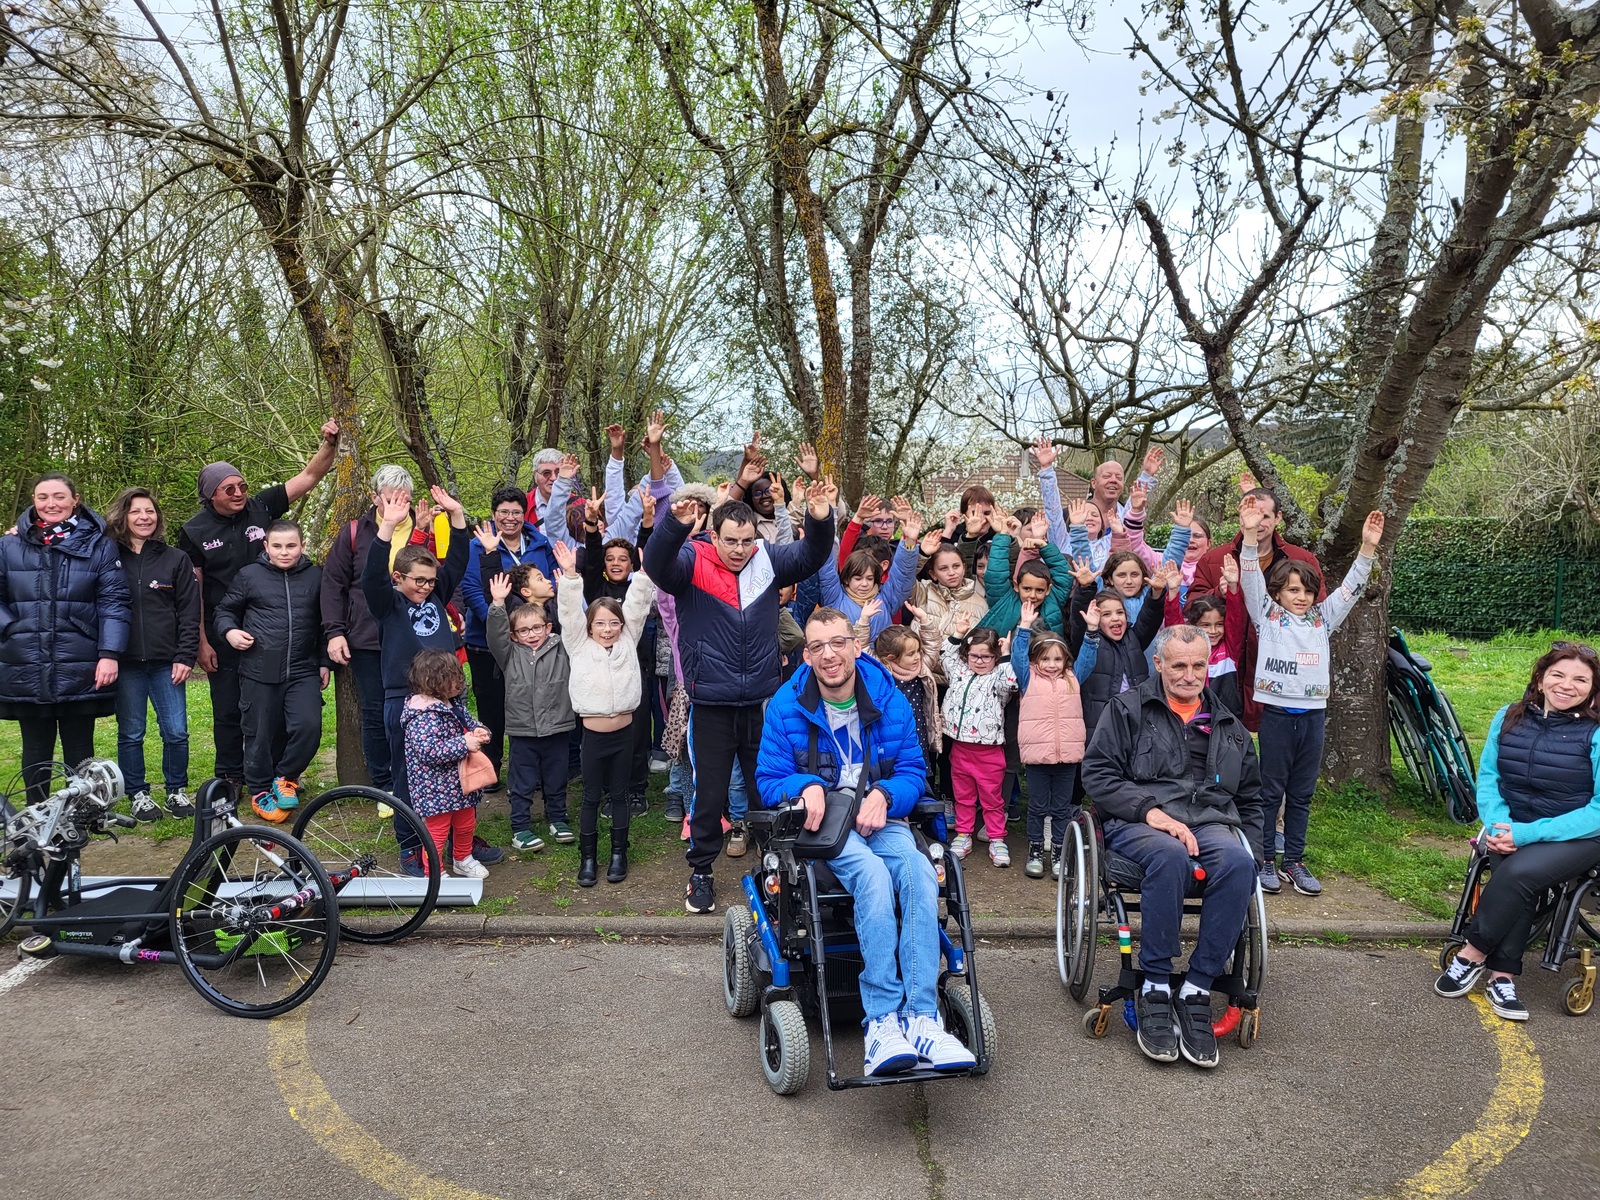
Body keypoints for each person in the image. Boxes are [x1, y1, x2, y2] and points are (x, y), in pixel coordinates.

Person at [756, 607, 977, 1076]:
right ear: (807, 654)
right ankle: (880, 1022)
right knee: (873, 877)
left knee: (919, 871)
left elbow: (915, 772)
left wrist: (885, 793)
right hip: (825, 826)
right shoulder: (784, 704)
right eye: (816, 646)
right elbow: (767, 779)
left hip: (880, 819)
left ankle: (920, 1017)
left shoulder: (888, 696)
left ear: (856, 646)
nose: (829, 655)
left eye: (838, 643)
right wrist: (804, 785)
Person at [643, 477, 836, 916]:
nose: (739, 549)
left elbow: (811, 555)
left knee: (765, 789)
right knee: (709, 795)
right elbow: (657, 566)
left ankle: (774, 867)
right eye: (731, 541)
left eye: (747, 541)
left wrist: (820, 516)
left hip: (761, 703)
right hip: (709, 702)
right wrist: (673, 524)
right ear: (715, 535)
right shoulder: (692, 559)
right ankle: (702, 873)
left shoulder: (765, 558)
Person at [1080, 624, 1264, 1068]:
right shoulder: (1127, 711)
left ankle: (1197, 988)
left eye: (1198, 665)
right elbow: (1098, 775)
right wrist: (1152, 813)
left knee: (1239, 864)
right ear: (1158, 664)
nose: (1189, 674)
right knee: (1169, 855)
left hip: (1210, 821)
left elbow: (1252, 798)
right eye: (1178, 665)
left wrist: (1256, 852)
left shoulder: (1229, 725)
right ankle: (1156, 984)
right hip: (1140, 820)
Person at [1435, 641, 1600, 1021]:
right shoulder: (1507, 716)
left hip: (1578, 835)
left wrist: (1524, 835)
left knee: (1519, 871)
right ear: (1540, 679)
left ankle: (1472, 952)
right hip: (1509, 827)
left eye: (1580, 679)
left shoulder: (1594, 733)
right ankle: (1502, 978)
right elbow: (1489, 779)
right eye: (1558, 675)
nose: (1566, 685)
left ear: (1592, 689)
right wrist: (1497, 826)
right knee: (1517, 869)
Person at [178, 420, 341, 794]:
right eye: (228, 489)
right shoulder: (194, 530)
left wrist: (328, 444)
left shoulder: (262, 506)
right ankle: (231, 777)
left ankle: (282, 776)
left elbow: (309, 476)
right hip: (226, 626)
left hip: (275, 627)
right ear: (210, 496)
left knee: (277, 710)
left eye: (242, 486)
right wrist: (202, 642)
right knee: (229, 710)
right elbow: (194, 592)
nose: (238, 493)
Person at [1237, 496, 1382, 897]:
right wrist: (1250, 535)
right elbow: (1250, 579)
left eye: (1307, 591)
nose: (1301, 596)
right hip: (1278, 717)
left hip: (1313, 717)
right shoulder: (1266, 616)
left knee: (1302, 793)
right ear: (1279, 593)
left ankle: (1294, 860)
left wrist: (1367, 548)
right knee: (1271, 792)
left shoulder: (1322, 619)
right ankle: (1265, 859)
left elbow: (1351, 588)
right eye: (1293, 590)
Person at [0, 473, 132, 805]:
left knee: (79, 748)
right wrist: (11, 628)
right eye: (42, 497)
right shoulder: (9, 545)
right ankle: (37, 813)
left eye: (59, 496)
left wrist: (110, 653)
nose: (50, 504)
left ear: (75, 499)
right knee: (35, 748)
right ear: (33, 499)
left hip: (81, 660)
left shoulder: (99, 544)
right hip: (25, 661)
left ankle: (77, 815)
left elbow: (114, 601)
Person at [361, 485, 472, 871]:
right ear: (399, 577)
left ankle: (462, 842)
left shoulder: (436, 595)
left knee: (458, 768)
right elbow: (371, 577)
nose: (425, 587)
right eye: (418, 581)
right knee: (408, 777)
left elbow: (457, 559)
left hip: (449, 700)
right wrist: (388, 527)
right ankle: (411, 846)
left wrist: (457, 517)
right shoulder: (388, 603)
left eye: (430, 580)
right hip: (406, 702)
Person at [320, 464, 442, 793]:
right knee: (376, 712)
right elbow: (333, 583)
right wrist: (334, 631)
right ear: (376, 498)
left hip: (416, 638)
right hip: (368, 638)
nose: (399, 506)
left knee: (423, 707)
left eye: (405, 499)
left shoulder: (426, 528)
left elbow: (443, 580)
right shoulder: (355, 531)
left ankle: (421, 776)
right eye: (391, 500)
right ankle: (385, 785)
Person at [211, 519, 330, 823]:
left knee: (309, 727)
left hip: (303, 668)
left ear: (302, 546)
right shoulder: (250, 576)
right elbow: (224, 611)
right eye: (277, 546)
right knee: (259, 734)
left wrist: (323, 662)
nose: (284, 552)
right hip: (260, 665)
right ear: (266, 547)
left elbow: (324, 624)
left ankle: (286, 777)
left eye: (291, 546)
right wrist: (229, 632)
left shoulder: (316, 576)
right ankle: (260, 790)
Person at [553, 539, 656, 886]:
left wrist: (642, 575)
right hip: (594, 738)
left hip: (624, 736)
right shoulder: (578, 645)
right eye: (601, 624)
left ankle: (618, 854)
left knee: (620, 795)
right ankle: (587, 859)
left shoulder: (628, 641)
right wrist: (570, 576)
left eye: (614, 623)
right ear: (590, 627)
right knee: (591, 798)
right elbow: (568, 613)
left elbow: (639, 606)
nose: (608, 629)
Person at [1188, 486, 1325, 731]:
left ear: (1278, 518)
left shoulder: (1301, 560)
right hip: (1224, 669)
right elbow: (1191, 608)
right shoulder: (1214, 559)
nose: (1257, 522)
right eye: (1250, 514)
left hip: (1282, 669)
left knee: (1277, 743)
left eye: (1264, 516)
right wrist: (1218, 593)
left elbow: (1318, 612)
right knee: (1220, 734)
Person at [105, 487, 200, 821]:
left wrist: (185, 656)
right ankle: (138, 794)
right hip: (126, 661)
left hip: (167, 662)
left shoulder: (176, 559)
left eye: (149, 511)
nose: (144, 517)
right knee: (131, 732)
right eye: (135, 512)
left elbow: (190, 612)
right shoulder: (107, 555)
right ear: (123, 516)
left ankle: (176, 791)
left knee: (176, 731)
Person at [460, 487, 558, 785]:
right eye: (504, 512)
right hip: (487, 643)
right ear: (494, 514)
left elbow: (553, 580)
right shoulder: (478, 546)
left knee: (530, 704)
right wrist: (500, 622)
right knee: (492, 708)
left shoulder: (540, 544)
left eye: (516, 511)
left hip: (535, 642)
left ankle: (530, 770)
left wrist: (536, 625)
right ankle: (490, 770)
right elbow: (471, 589)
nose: (510, 518)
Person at [486, 572, 574, 853]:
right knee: (522, 781)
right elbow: (495, 635)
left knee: (557, 777)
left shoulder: (562, 648)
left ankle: (558, 818)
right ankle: (520, 827)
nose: (532, 634)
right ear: (514, 635)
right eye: (524, 631)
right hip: (523, 731)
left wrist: (567, 590)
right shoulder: (510, 654)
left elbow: (572, 623)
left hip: (558, 728)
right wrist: (498, 604)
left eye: (537, 628)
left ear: (548, 627)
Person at [402, 649, 494, 879]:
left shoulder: (451, 704)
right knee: (437, 831)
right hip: (434, 789)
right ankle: (434, 871)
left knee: (466, 823)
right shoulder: (422, 714)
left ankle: (463, 858)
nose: (460, 682)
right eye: (454, 678)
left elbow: (471, 724)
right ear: (432, 682)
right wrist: (464, 744)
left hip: (460, 785)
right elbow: (428, 751)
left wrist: (481, 732)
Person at [1011, 613, 1089, 880]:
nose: (1052, 664)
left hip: (1067, 757)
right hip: (1037, 758)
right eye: (1045, 658)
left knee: (1061, 808)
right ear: (1035, 660)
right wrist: (1023, 629)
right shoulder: (1028, 678)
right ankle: (1035, 851)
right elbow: (1018, 657)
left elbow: (1088, 659)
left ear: (1066, 659)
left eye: (1057, 658)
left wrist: (1091, 632)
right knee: (1037, 807)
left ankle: (1059, 851)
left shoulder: (1073, 678)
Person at [940, 611, 1019, 867]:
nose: (980, 660)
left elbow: (1011, 683)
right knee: (962, 796)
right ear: (967, 655)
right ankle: (964, 834)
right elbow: (946, 657)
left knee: (992, 798)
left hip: (989, 751)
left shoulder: (998, 676)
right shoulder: (960, 671)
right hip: (960, 748)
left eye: (986, 656)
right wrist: (959, 633)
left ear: (995, 657)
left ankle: (996, 838)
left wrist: (1007, 654)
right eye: (974, 655)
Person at [1065, 557, 1168, 735]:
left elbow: (1149, 617)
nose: (1115, 618)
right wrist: (1085, 589)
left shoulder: (1133, 637)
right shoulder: (1089, 640)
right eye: (1106, 614)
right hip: (1100, 722)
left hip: (1136, 716)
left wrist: (1157, 592)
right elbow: (1079, 619)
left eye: (1119, 612)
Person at [821, 498, 921, 645]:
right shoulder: (835, 597)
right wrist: (824, 521)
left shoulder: (885, 599)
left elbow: (903, 575)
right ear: (848, 578)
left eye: (869, 578)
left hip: (879, 663)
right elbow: (827, 564)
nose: (864, 584)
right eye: (858, 578)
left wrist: (910, 541)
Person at [978, 505, 1073, 637]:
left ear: (1048, 589)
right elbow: (995, 575)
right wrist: (1003, 535)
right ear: (1017, 586)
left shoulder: (1052, 600)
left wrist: (1042, 544)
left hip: (1043, 656)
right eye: (1027, 588)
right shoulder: (1004, 600)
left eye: (1039, 590)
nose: (1032, 595)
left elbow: (1064, 575)